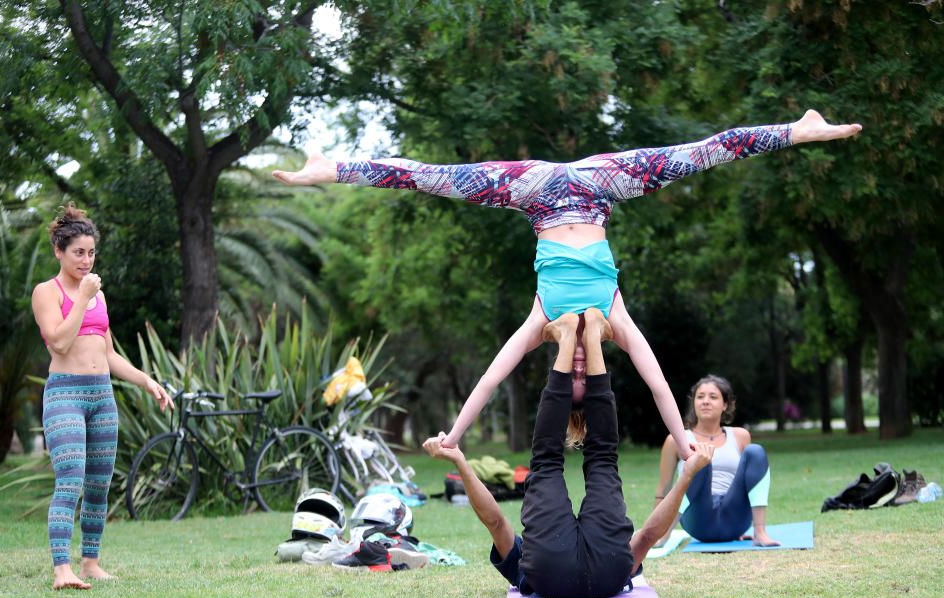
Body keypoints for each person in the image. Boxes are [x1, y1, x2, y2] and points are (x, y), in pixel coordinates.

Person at [275, 110, 862, 459]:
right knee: (699, 155)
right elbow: (660, 388)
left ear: (564, 381)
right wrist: (685, 444)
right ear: (593, 379)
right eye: (587, 379)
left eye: (571, 380)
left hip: (534, 192)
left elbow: (487, 379)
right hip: (599, 186)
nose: (579, 370)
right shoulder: (615, 320)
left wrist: (452, 437)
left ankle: (331, 168)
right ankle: (796, 130)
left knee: (430, 178)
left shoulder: (540, 324)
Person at [423, 308, 714, 598]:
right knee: (553, 461)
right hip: (588, 571)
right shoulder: (529, 556)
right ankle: (580, 337)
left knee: (598, 460)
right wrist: (686, 476)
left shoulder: (529, 559)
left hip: (588, 572)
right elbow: (495, 522)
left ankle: (591, 336)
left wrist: (461, 462)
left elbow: (650, 536)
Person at [32, 203, 174, 590]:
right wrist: (81, 297)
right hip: (65, 395)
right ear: (59, 252)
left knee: (98, 483)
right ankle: (62, 569)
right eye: (78, 252)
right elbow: (59, 342)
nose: (86, 259)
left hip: (101, 396)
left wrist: (146, 380)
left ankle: (91, 562)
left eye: (91, 252)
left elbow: (109, 354)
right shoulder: (47, 292)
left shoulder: (99, 296)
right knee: (70, 479)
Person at [655, 374, 778, 547]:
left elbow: (750, 481)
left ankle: (760, 532)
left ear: (725, 405)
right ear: (694, 403)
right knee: (701, 460)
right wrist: (654, 530)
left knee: (756, 451)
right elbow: (664, 489)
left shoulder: (740, 436)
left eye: (713, 397)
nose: (706, 401)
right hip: (698, 518)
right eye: (700, 397)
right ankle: (664, 535)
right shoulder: (677, 439)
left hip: (734, 519)